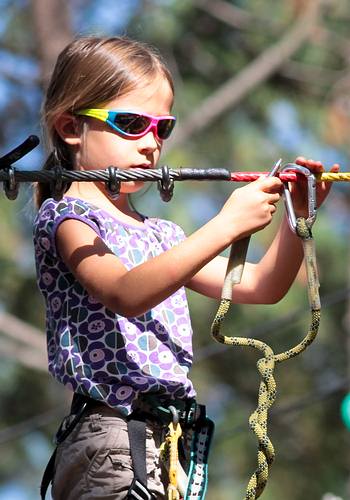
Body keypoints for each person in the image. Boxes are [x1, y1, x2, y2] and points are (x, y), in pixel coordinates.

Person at [33, 35, 338, 500]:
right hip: (111, 439)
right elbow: (125, 292)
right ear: (71, 127)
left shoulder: (162, 236)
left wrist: (298, 216)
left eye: (162, 129)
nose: (151, 144)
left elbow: (260, 284)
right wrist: (225, 224)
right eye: (132, 124)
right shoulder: (68, 219)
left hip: (167, 445)